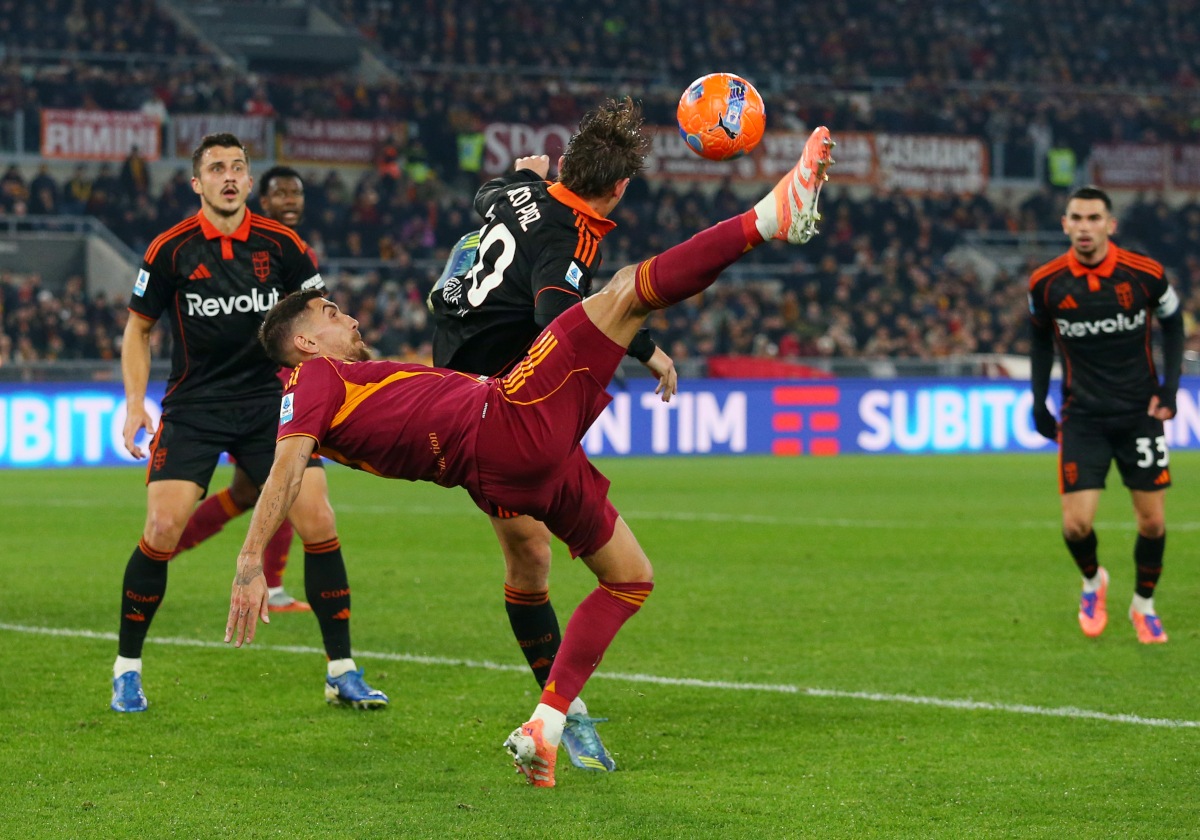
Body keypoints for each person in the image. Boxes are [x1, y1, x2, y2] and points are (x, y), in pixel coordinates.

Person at [225, 125, 836, 787]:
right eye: (328, 312)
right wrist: (251, 557)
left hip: (509, 467)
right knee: (628, 290)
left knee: (629, 576)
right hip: (507, 418)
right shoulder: (311, 383)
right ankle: (772, 215)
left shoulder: (333, 388)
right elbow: (287, 467)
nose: (346, 316)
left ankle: (548, 722)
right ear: (304, 345)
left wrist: (517, 184)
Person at [428, 99, 678, 773]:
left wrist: (521, 176)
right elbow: (555, 315)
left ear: (561, 165)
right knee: (546, 557)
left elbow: (490, 192)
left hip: (463, 376)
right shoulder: (570, 234)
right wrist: (634, 345)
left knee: (531, 556)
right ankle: (564, 713)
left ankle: (557, 709)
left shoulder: (520, 189)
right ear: (620, 188)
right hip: (490, 407)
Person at [112, 134, 386, 713]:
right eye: (216, 168)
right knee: (162, 528)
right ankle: (127, 669)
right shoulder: (171, 249)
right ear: (197, 183)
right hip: (194, 407)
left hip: (272, 404)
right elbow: (137, 328)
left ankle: (342, 669)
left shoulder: (282, 244)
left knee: (319, 520)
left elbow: (323, 322)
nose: (229, 176)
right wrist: (135, 403)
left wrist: (344, 382)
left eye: (238, 167)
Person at [1028, 185, 1183, 644]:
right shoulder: (1046, 283)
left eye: (1094, 218)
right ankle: (1094, 582)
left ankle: (1144, 605)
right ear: (1065, 225)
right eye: (1076, 218)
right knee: (1076, 525)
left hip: (1140, 412)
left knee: (1152, 521)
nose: (1084, 227)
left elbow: (1174, 323)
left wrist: (1169, 387)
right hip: (1084, 416)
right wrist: (1038, 401)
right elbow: (1038, 339)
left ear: (1110, 225)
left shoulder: (1145, 274)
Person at [172, 165, 317, 612]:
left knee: (245, 493)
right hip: (256, 388)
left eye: (297, 193)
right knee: (286, 481)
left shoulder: (292, 250)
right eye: (281, 194)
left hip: (280, 382)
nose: (290, 201)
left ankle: (165, 548)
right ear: (262, 199)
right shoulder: (256, 248)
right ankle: (270, 587)